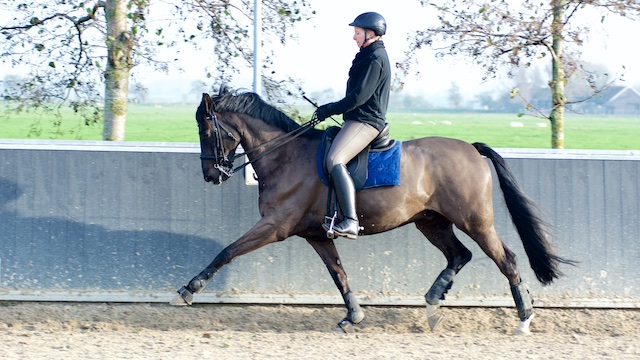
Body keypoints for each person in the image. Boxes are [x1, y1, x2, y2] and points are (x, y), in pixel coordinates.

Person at [314, 12, 391, 240]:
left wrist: (330, 109)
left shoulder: (375, 58)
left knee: (334, 160)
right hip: (356, 119)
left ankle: (350, 221)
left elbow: (358, 97)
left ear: (370, 33)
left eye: (357, 33)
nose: (354, 37)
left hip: (366, 121)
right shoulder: (367, 55)